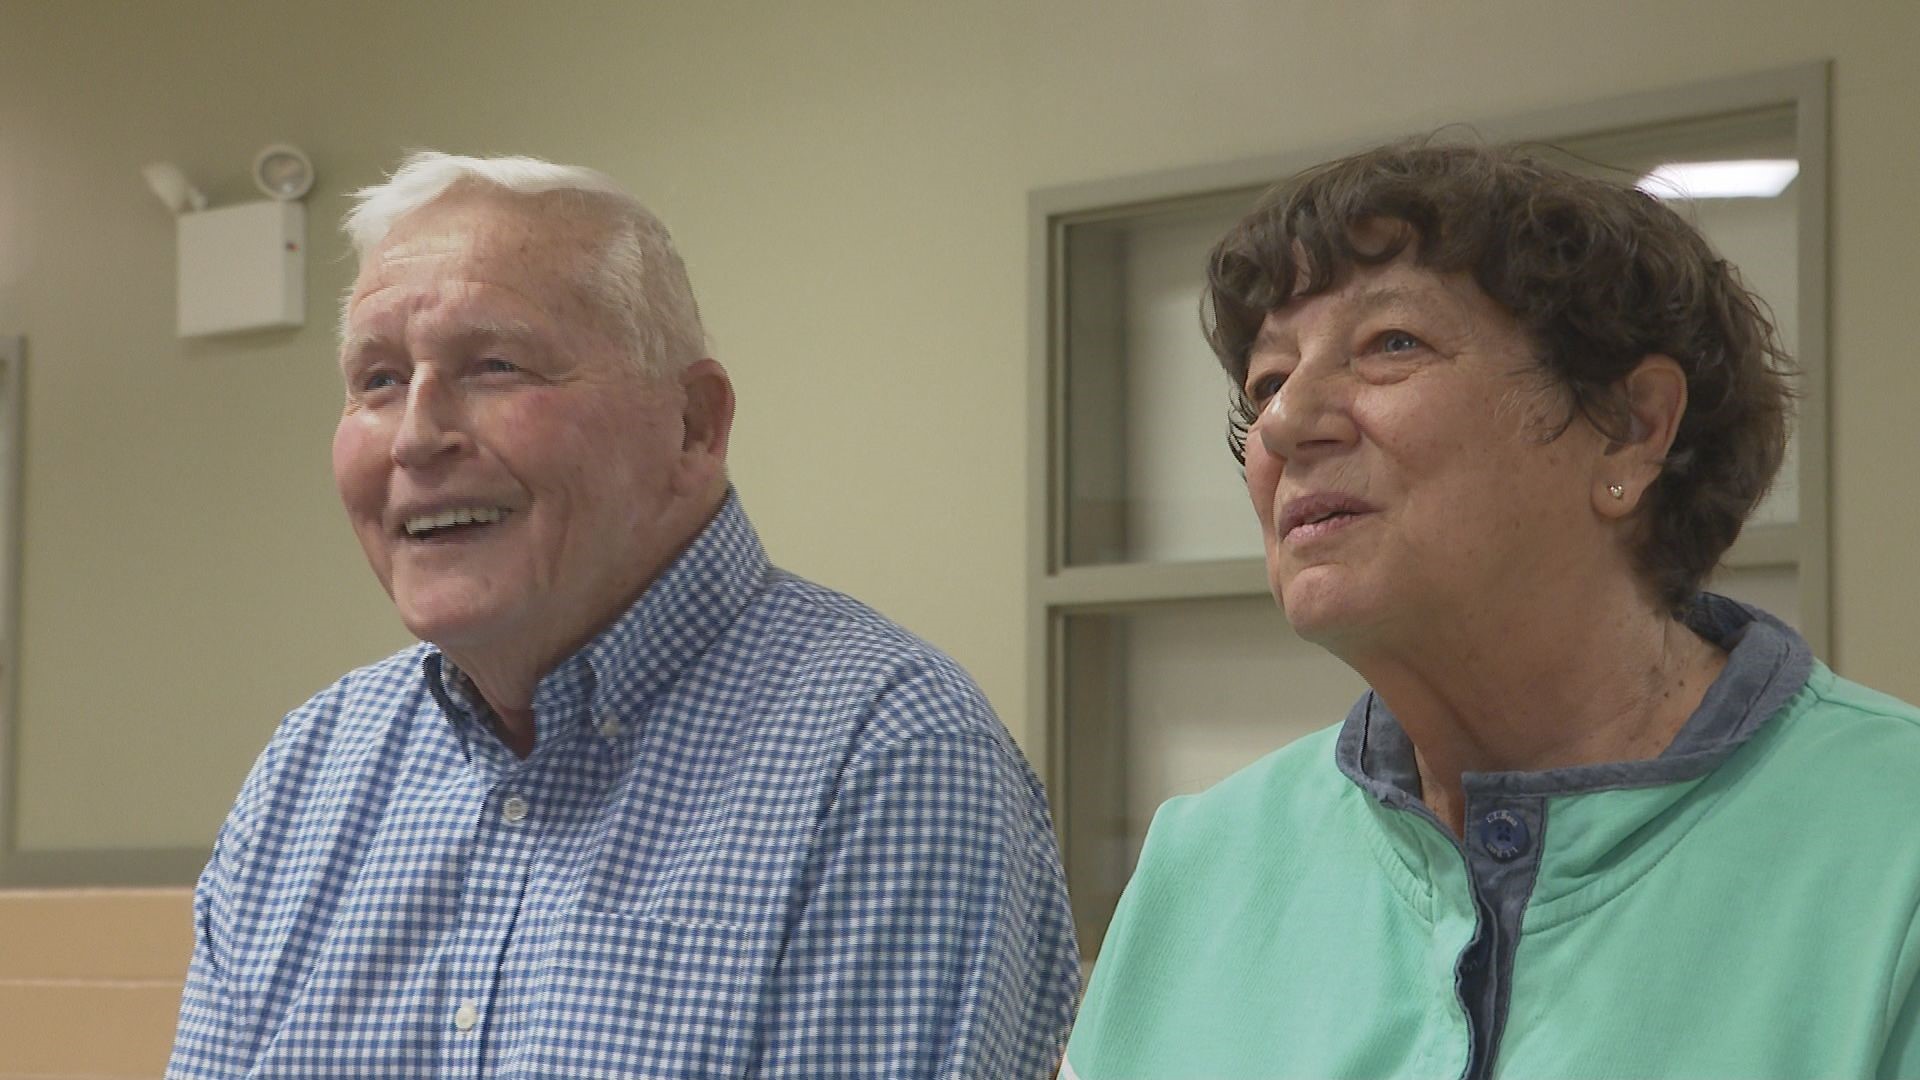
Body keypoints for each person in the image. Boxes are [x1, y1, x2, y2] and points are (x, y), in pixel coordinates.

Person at [167, 152, 1078, 1079]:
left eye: (494, 365)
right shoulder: (310, 773)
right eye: (379, 380)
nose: (416, 436)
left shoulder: (887, 756)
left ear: (693, 425)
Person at [1060, 141, 1920, 1079]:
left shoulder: (1891, 850)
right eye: (1266, 381)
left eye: (1392, 344)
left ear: (1631, 427)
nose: (1284, 422)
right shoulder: (1204, 864)